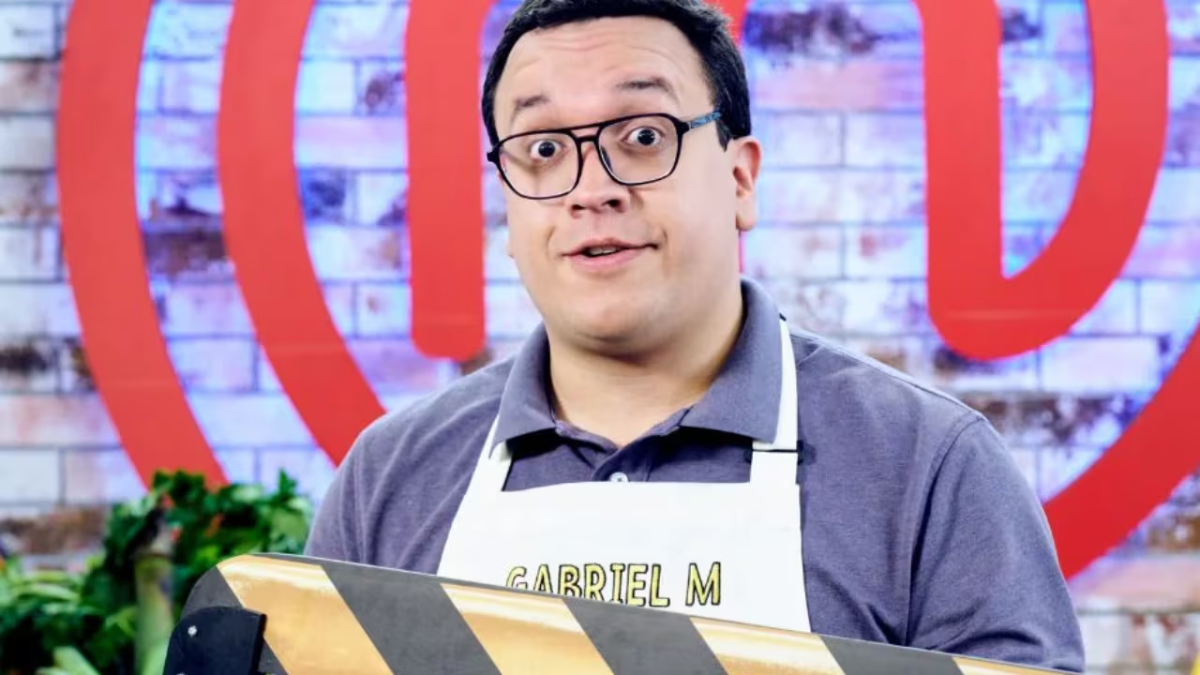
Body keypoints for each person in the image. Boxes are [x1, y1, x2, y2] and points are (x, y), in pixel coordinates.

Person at [305, 0, 1085, 670]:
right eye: (543, 149)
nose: (592, 189)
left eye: (643, 137)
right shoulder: (390, 479)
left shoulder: (928, 466)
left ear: (740, 178)